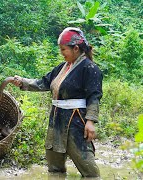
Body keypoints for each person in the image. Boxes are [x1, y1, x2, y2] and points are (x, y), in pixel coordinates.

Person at [10, 27, 102, 177]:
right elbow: (44, 82)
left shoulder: (90, 68)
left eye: (63, 49)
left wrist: (90, 121)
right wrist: (22, 82)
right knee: (54, 168)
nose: (61, 53)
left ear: (76, 48)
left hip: (76, 123)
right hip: (56, 121)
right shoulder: (62, 67)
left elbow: (94, 96)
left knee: (90, 172)